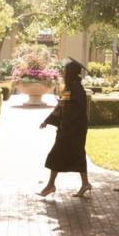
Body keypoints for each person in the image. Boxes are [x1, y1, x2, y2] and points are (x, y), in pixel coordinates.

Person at [39, 59, 91, 198]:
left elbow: (77, 110)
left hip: (73, 130)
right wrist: (48, 120)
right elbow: (62, 106)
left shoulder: (77, 88)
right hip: (69, 129)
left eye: (66, 71)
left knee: (57, 154)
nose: (63, 74)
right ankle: (85, 184)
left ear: (71, 73)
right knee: (77, 155)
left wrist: (65, 120)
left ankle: (51, 185)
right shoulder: (70, 87)